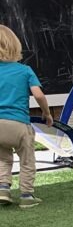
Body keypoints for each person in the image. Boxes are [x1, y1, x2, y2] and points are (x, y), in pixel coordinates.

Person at [0, 25, 52, 209]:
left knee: (3, 159)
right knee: (27, 159)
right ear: (15, 46)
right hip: (18, 125)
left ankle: (3, 188)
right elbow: (38, 95)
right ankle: (26, 195)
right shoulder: (25, 70)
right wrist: (46, 113)